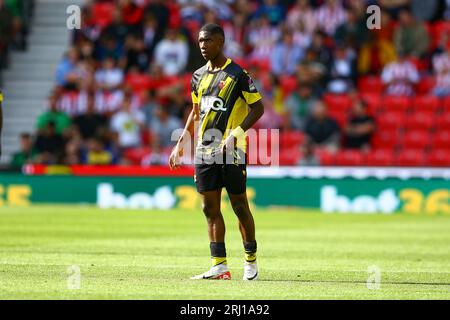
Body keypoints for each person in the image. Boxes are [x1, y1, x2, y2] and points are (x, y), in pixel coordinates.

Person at [168, 24, 265, 281]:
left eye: (208, 40)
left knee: (239, 206)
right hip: (205, 150)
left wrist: (235, 135)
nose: (202, 45)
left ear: (220, 42)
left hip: (232, 150)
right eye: (200, 41)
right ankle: (219, 266)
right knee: (209, 209)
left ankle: (250, 261)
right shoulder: (197, 76)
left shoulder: (237, 74)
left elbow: (258, 109)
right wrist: (181, 143)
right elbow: (196, 111)